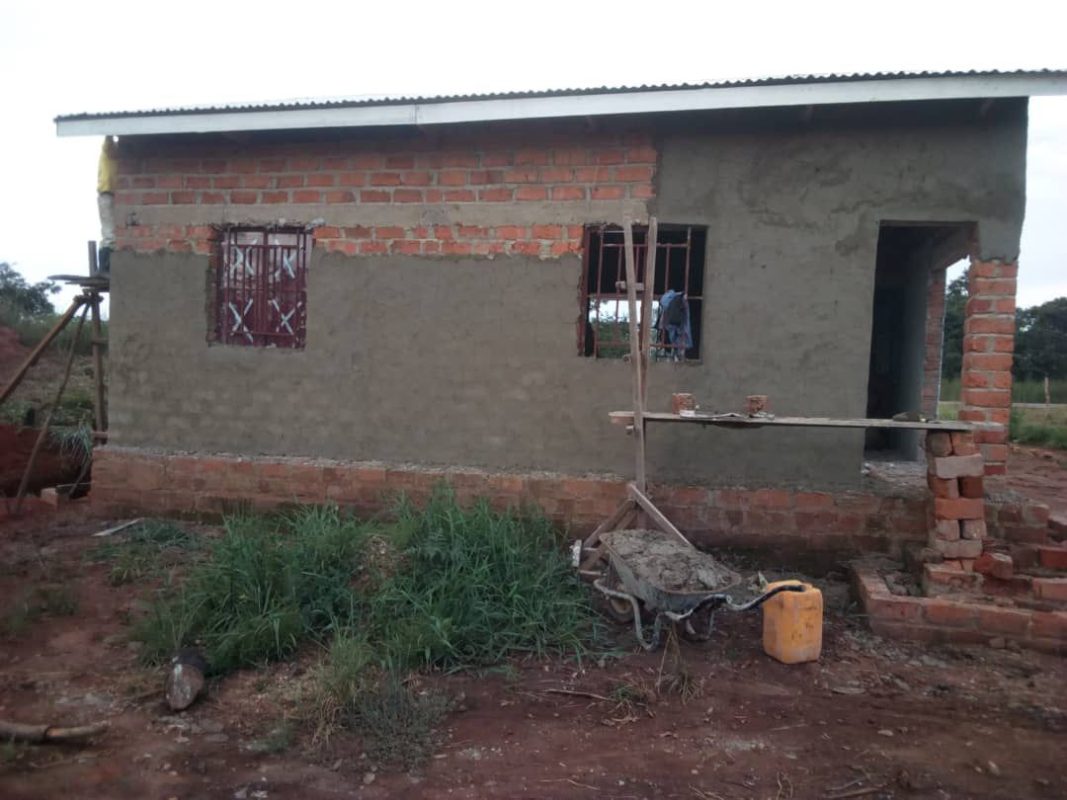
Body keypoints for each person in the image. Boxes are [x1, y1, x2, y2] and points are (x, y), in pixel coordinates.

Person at [97, 136, 118, 275]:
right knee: (110, 234)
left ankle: (107, 266)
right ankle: (105, 268)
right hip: (107, 193)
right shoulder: (109, 147)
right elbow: (108, 141)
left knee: (112, 234)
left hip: (114, 194)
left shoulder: (116, 151)